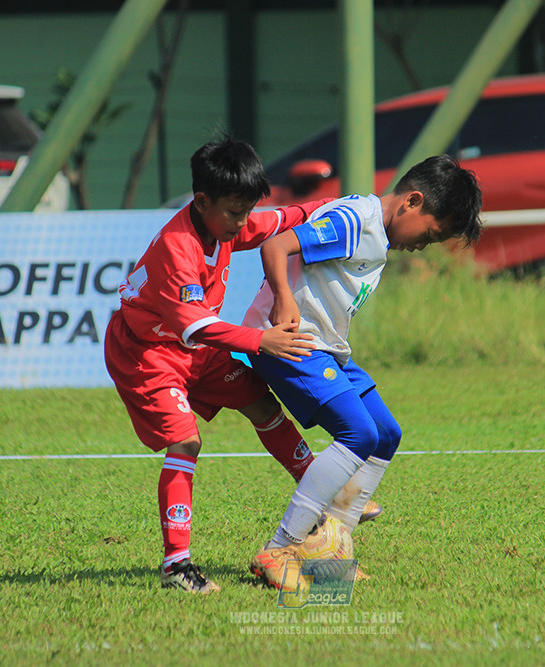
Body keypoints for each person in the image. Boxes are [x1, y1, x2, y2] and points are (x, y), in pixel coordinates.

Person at [242, 155, 483, 589]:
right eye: (430, 234)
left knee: (386, 432)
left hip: (327, 350)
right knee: (360, 434)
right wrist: (284, 298)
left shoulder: (376, 230)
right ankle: (279, 548)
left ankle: (332, 547)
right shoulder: (356, 222)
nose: (422, 246)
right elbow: (274, 246)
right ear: (412, 201)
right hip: (288, 343)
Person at [104, 138, 327, 594]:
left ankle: (324, 497)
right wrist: (260, 341)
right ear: (202, 201)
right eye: (234, 212)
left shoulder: (222, 224)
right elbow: (194, 324)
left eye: (246, 210)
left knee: (261, 406)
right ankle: (176, 565)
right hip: (147, 354)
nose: (242, 222)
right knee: (185, 440)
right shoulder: (176, 247)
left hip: (194, 350)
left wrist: (337, 206)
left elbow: (276, 220)